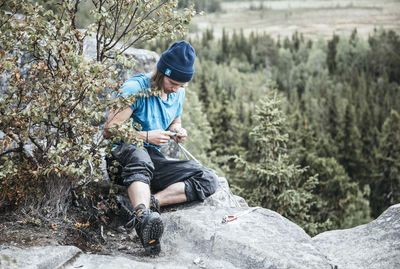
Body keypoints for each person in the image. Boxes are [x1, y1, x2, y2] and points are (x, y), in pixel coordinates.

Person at [102, 41, 218, 255]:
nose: (176, 89)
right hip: (123, 156)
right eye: (173, 83)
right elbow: (109, 130)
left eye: (181, 86)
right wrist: (146, 136)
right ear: (161, 72)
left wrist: (178, 130)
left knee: (208, 178)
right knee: (141, 157)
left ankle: (151, 204)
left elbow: (175, 119)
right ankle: (142, 217)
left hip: (151, 159)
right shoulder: (135, 88)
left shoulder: (178, 92)